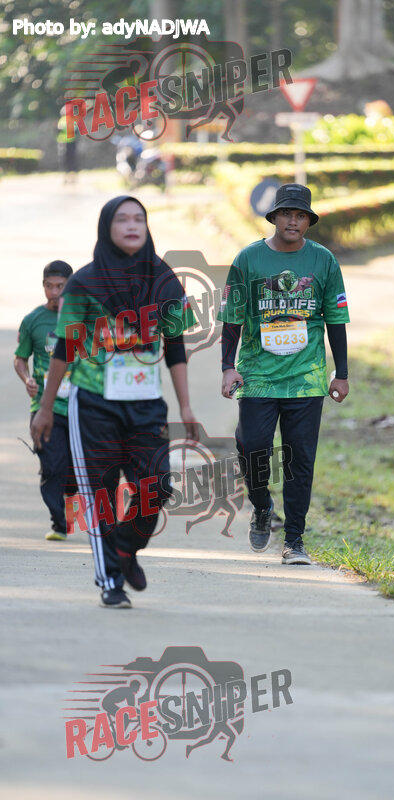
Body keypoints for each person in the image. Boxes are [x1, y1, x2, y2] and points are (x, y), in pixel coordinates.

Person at [31, 196, 199, 608]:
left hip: (146, 402)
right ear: (107, 228)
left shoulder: (164, 280)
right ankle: (110, 581)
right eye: (122, 219)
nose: (132, 225)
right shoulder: (84, 283)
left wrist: (185, 407)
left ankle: (126, 547)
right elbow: (64, 349)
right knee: (100, 493)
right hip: (93, 404)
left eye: (139, 218)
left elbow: (176, 345)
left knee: (157, 485)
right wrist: (46, 408)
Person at [219, 184, 350, 565]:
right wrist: (228, 367)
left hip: (306, 378)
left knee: (300, 461)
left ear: (308, 221)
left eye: (300, 215)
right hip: (257, 375)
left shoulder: (323, 261)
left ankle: (294, 540)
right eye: (287, 214)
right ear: (274, 217)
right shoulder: (249, 259)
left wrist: (341, 373)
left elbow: (336, 319)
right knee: (253, 447)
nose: (293, 221)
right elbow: (231, 319)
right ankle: (261, 505)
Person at [14, 260, 74, 541]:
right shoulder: (33, 320)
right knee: (52, 466)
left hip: (80, 406)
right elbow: (20, 358)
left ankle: (71, 497)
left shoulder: (84, 318)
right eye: (49, 286)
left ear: (70, 286)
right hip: (44, 406)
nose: (54, 292)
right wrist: (27, 378)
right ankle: (59, 524)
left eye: (60, 286)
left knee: (75, 470)